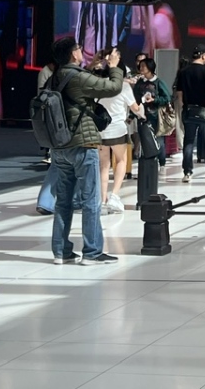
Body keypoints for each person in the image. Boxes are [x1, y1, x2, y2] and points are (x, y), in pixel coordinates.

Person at [46, 37, 124, 264]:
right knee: (91, 199)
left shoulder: (54, 77)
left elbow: (79, 85)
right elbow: (113, 87)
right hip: (82, 145)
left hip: (59, 146)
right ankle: (92, 252)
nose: (82, 51)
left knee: (63, 201)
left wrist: (92, 67)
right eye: (79, 48)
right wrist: (114, 67)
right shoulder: (78, 77)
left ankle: (61, 251)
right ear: (74, 54)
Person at [97, 68, 142, 214]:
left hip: (101, 129)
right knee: (121, 161)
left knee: (104, 165)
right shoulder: (124, 86)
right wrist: (142, 106)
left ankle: (102, 200)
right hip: (118, 128)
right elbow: (135, 108)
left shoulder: (99, 84)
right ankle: (114, 196)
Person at [176, 44, 205, 182]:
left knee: (189, 141)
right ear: (203, 55)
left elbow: (179, 93)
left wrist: (184, 105)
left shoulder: (183, 72)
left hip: (189, 110)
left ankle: (187, 172)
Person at [135, 57, 172, 163]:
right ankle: (149, 163)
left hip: (156, 116)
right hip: (142, 116)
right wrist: (132, 115)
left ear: (150, 67)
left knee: (159, 140)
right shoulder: (139, 83)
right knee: (145, 140)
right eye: (140, 66)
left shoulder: (158, 82)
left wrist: (154, 100)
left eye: (143, 66)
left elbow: (167, 98)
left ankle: (162, 162)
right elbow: (134, 99)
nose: (141, 68)